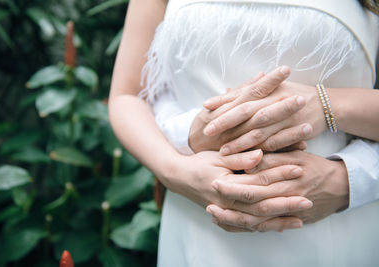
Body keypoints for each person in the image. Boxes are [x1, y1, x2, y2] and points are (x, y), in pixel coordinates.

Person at [108, 0, 379, 266]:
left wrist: (347, 179)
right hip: (199, 222)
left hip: (336, 224)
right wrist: (176, 168)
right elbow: (128, 95)